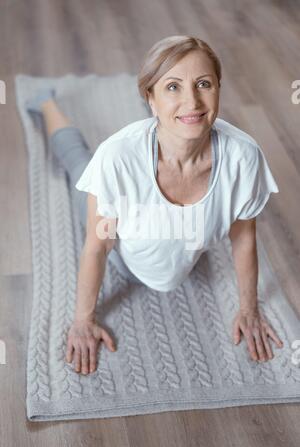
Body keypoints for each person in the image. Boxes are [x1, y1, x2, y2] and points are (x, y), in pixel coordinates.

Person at [26, 35, 283, 376]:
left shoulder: (243, 157)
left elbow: (244, 237)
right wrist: (83, 320)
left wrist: (249, 308)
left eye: (203, 84)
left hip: (183, 252)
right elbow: (98, 245)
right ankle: (47, 104)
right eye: (172, 87)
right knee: (78, 160)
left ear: (219, 88)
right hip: (121, 254)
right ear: (150, 97)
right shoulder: (116, 158)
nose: (192, 101)